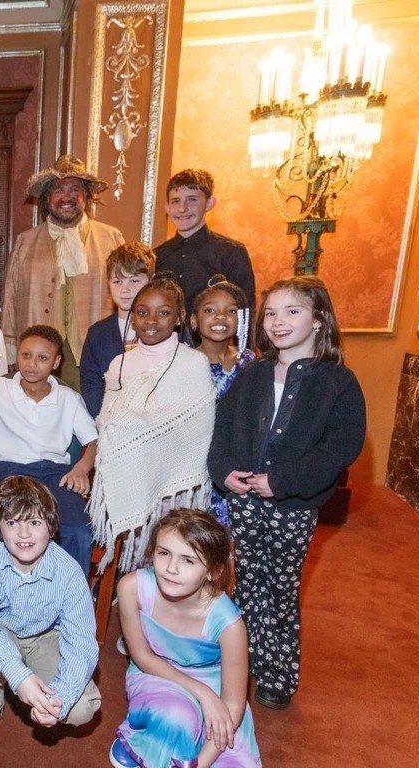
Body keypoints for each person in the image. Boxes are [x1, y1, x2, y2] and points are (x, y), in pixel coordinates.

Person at [209, 276, 365, 710]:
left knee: (279, 586)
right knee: (244, 581)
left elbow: (340, 447)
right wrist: (224, 471)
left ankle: (276, 671)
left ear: (319, 319)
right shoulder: (252, 374)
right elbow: (223, 427)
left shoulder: (338, 382)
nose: (278, 322)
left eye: (292, 311)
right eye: (271, 313)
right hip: (243, 498)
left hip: (292, 505)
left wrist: (281, 481)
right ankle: (239, 661)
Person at [110, 509, 261, 768]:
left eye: (188, 560)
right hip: (155, 672)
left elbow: (233, 703)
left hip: (214, 682)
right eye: (163, 553)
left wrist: (200, 763)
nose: (171, 568)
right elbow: (142, 656)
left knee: (226, 751)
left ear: (213, 572)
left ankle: (163, 747)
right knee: (176, 717)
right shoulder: (131, 587)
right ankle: (145, 740)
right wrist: (202, 694)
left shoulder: (229, 623)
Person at [0, 325, 97, 575]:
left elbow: (92, 440)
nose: (32, 364)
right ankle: (16, 589)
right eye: (26, 355)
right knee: (21, 531)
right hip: (10, 474)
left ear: (56, 362)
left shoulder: (68, 398)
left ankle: (68, 592)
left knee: (78, 531)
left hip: (56, 475)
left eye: (42, 358)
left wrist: (82, 468)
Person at [88, 275, 216, 574]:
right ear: (132, 318)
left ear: (179, 317)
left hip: (173, 485)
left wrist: (136, 429)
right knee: (133, 562)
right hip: (129, 473)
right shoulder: (120, 363)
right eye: (143, 312)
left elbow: (196, 431)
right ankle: (131, 589)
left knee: (168, 555)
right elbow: (107, 421)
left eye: (163, 312)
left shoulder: (193, 363)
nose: (152, 321)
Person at [0, 476, 100, 742]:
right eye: (12, 522)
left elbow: (81, 643)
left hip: (45, 637)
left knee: (81, 708)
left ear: (51, 528)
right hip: (2, 630)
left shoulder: (69, 572)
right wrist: (18, 674)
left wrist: (59, 699)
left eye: (34, 522)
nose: (23, 534)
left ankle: (42, 693)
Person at [2, 155, 125, 390]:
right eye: (59, 190)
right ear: (48, 198)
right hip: (39, 359)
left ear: (86, 196)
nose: (66, 197)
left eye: (74, 190)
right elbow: (10, 300)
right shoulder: (25, 242)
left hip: (94, 354)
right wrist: (9, 351)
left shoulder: (111, 239)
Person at [191, 277, 256, 528]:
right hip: (197, 463)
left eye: (230, 311)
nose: (220, 317)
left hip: (237, 463)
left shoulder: (250, 362)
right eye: (210, 310)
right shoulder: (184, 362)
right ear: (194, 321)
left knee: (234, 538)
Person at [154, 169, 256, 318]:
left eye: (192, 200)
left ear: (209, 203)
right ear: (167, 208)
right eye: (175, 201)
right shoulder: (157, 256)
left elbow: (245, 313)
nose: (182, 208)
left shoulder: (231, 252)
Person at [79, 241, 155, 418]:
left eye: (134, 281)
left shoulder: (167, 329)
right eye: (117, 281)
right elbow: (91, 385)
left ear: (151, 282)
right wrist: (107, 420)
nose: (125, 289)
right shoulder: (98, 334)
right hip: (111, 423)